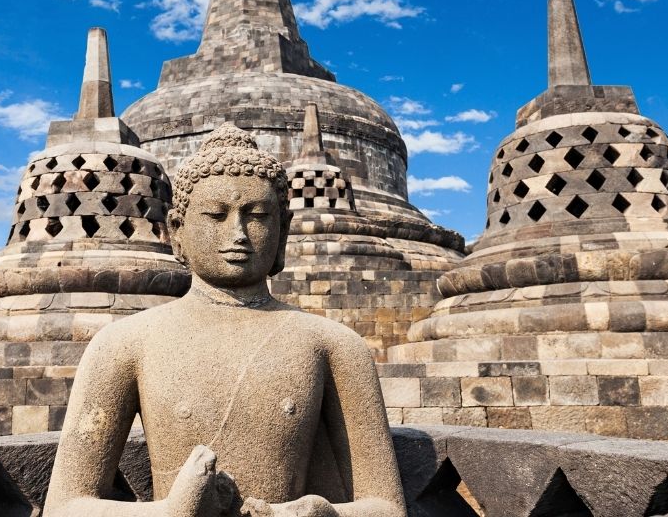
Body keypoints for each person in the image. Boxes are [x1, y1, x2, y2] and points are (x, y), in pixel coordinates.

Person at [44, 124, 406, 517]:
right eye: (216, 215)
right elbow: (65, 505)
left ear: (282, 232)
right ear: (177, 232)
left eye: (257, 216)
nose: (238, 234)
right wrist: (168, 514)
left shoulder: (333, 345)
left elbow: (387, 507)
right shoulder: (124, 344)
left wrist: (322, 514)